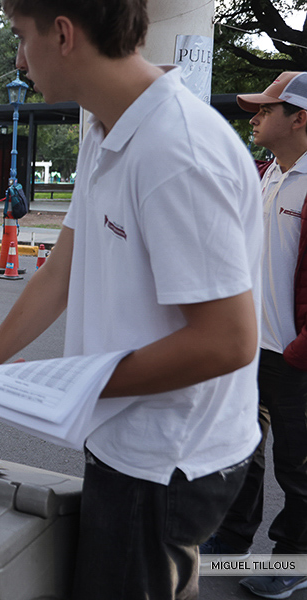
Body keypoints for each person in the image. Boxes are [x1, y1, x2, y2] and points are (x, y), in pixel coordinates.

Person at [0, 1, 262, 598]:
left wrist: (73, 386)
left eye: (21, 37)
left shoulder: (177, 151)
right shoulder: (105, 128)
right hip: (123, 438)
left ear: (63, 34)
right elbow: (61, 272)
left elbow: (227, 341)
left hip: (166, 460)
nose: (19, 62)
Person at [200, 72, 307, 600]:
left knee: (299, 466)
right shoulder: (266, 175)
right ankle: (231, 539)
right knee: (242, 451)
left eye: (267, 110)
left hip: (295, 356)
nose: (255, 118)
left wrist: (299, 349)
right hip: (251, 349)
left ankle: (295, 560)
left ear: (300, 118)